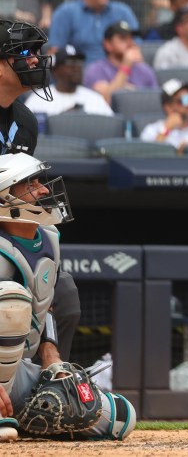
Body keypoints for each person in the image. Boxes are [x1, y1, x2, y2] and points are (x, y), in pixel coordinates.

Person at [0, 152, 137, 442]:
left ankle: (18, 415)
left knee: (119, 418)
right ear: (4, 197)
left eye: (39, 181)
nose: (44, 190)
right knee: (11, 297)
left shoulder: (48, 237)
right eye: (30, 184)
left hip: (17, 370)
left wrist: (51, 358)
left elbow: (45, 304)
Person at [47, 0, 138, 65]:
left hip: (117, 73)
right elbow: (54, 53)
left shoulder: (123, 12)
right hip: (80, 75)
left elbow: (136, 50)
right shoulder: (65, 13)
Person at [83, 20, 160, 104]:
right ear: (108, 44)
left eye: (131, 38)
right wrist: (126, 66)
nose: (129, 43)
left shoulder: (145, 70)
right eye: (123, 38)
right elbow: (105, 102)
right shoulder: (96, 70)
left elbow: (156, 103)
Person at [25, 45, 112, 117]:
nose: (76, 67)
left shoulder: (95, 99)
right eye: (70, 63)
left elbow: (112, 128)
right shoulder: (38, 100)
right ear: (54, 70)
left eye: (79, 62)